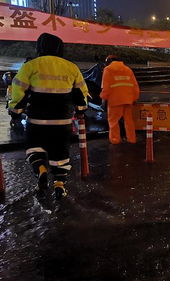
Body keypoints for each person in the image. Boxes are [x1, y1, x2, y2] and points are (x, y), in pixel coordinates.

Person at [9, 33, 88, 199]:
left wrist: (15, 111)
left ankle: (41, 169)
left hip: (37, 120)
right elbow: (81, 92)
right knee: (60, 153)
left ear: (40, 47)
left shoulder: (31, 66)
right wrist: (81, 110)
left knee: (34, 147)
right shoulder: (71, 67)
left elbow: (18, 90)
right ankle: (59, 185)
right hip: (63, 121)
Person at [100, 55, 140, 144]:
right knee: (129, 121)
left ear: (108, 62)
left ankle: (115, 140)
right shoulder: (127, 69)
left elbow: (106, 87)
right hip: (128, 99)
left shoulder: (108, 69)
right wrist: (135, 97)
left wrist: (104, 98)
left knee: (113, 121)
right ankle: (131, 139)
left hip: (114, 100)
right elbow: (135, 86)